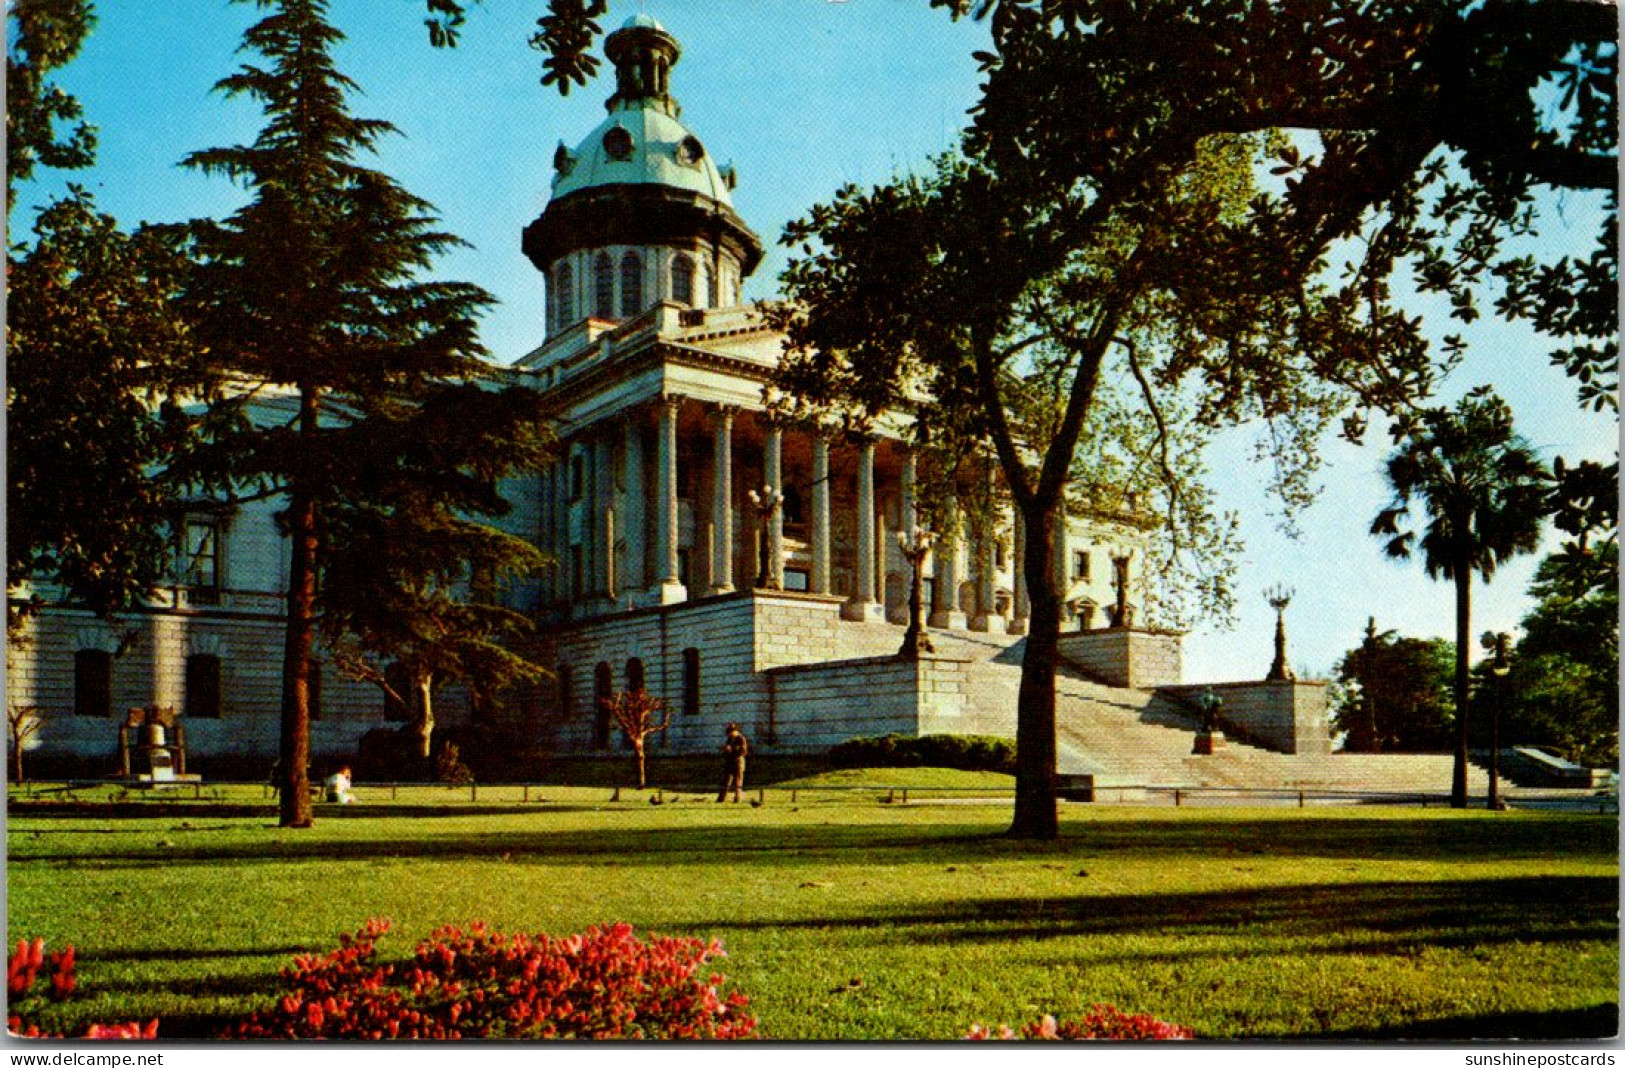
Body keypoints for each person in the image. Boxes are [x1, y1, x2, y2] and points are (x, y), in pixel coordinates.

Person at [717, 723, 748, 803]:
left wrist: (733, 750)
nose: (729, 734)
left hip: (738, 763)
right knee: (725, 781)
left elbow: (743, 751)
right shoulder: (729, 739)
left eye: (731, 732)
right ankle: (721, 798)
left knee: (738, 782)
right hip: (729, 762)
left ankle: (737, 798)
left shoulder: (741, 739)